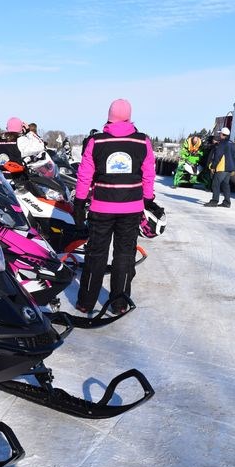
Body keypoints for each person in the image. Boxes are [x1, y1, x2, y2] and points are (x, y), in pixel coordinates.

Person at [73, 98, 156, 315]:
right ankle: (119, 303)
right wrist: (147, 198)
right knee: (125, 255)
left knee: (95, 254)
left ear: (109, 116)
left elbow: (84, 175)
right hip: (131, 209)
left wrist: (80, 202)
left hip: (101, 208)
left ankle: (86, 302)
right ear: (129, 116)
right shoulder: (142, 141)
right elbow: (149, 173)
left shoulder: (96, 141)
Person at [204, 127, 235, 207]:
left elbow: (218, 156)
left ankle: (214, 201)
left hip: (222, 167)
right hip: (229, 168)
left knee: (215, 184)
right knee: (225, 185)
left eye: (220, 133)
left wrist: (213, 167)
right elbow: (232, 156)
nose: (219, 135)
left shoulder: (222, 143)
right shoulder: (231, 143)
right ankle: (227, 202)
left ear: (222, 134)